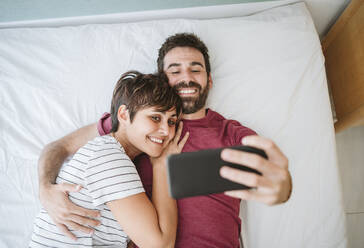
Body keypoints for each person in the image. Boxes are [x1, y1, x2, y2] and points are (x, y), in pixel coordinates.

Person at [38, 33, 292, 247]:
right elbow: (59, 147)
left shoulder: (231, 133)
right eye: (175, 70)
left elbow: (270, 173)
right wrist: (45, 189)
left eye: (196, 69)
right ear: (162, 79)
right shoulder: (134, 126)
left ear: (209, 80)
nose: (187, 78)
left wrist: (281, 189)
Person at [30, 71, 189, 248]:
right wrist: (163, 166)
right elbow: (161, 245)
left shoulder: (112, 154)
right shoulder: (109, 157)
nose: (166, 131)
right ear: (123, 115)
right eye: (155, 118)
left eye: (172, 122)